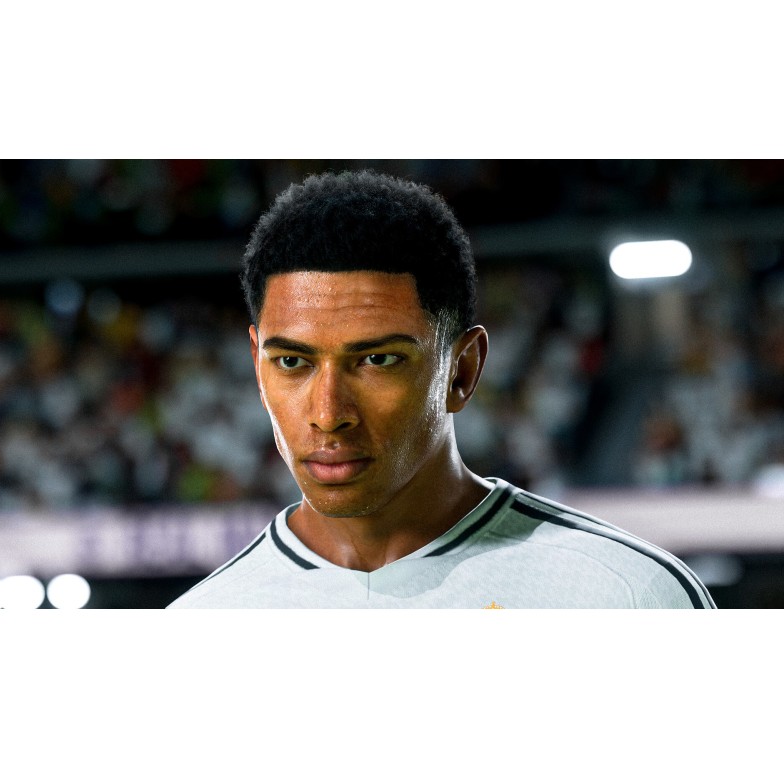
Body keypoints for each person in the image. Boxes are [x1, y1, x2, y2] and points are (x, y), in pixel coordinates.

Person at [168, 170, 715, 608]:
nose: (329, 413)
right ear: (256, 367)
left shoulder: (628, 595)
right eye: (292, 362)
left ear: (462, 370)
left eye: (377, 360)